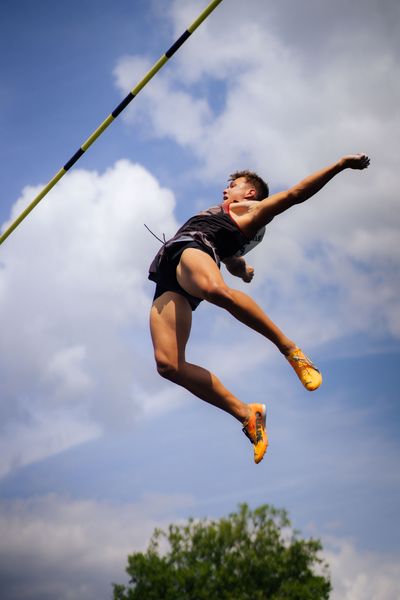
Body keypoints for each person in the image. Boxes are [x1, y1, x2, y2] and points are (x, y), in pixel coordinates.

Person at [148, 154, 370, 464]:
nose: (226, 189)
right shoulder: (224, 218)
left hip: (192, 251)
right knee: (169, 365)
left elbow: (295, 194)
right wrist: (243, 270)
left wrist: (340, 164)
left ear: (251, 193)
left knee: (216, 290)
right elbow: (231, 258)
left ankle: (290, 349)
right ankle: (246, 414)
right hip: (171, 272)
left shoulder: (252, 211)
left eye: (233, 184)